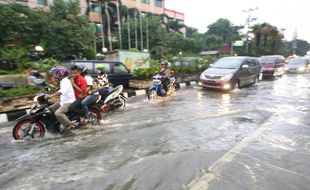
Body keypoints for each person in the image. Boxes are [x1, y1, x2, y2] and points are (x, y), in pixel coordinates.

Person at [45, 66, 76, 131]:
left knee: (58, 113)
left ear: (61, 73)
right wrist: (49, 93)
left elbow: (61, 91)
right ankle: (57, 123)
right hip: (62, 101)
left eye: (56, 73)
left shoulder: (65, 81)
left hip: (69, 101)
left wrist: (51, 96)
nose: (54, 74)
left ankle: (70, 124)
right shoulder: (62, 81)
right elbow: (58, 89)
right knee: (48, 109)